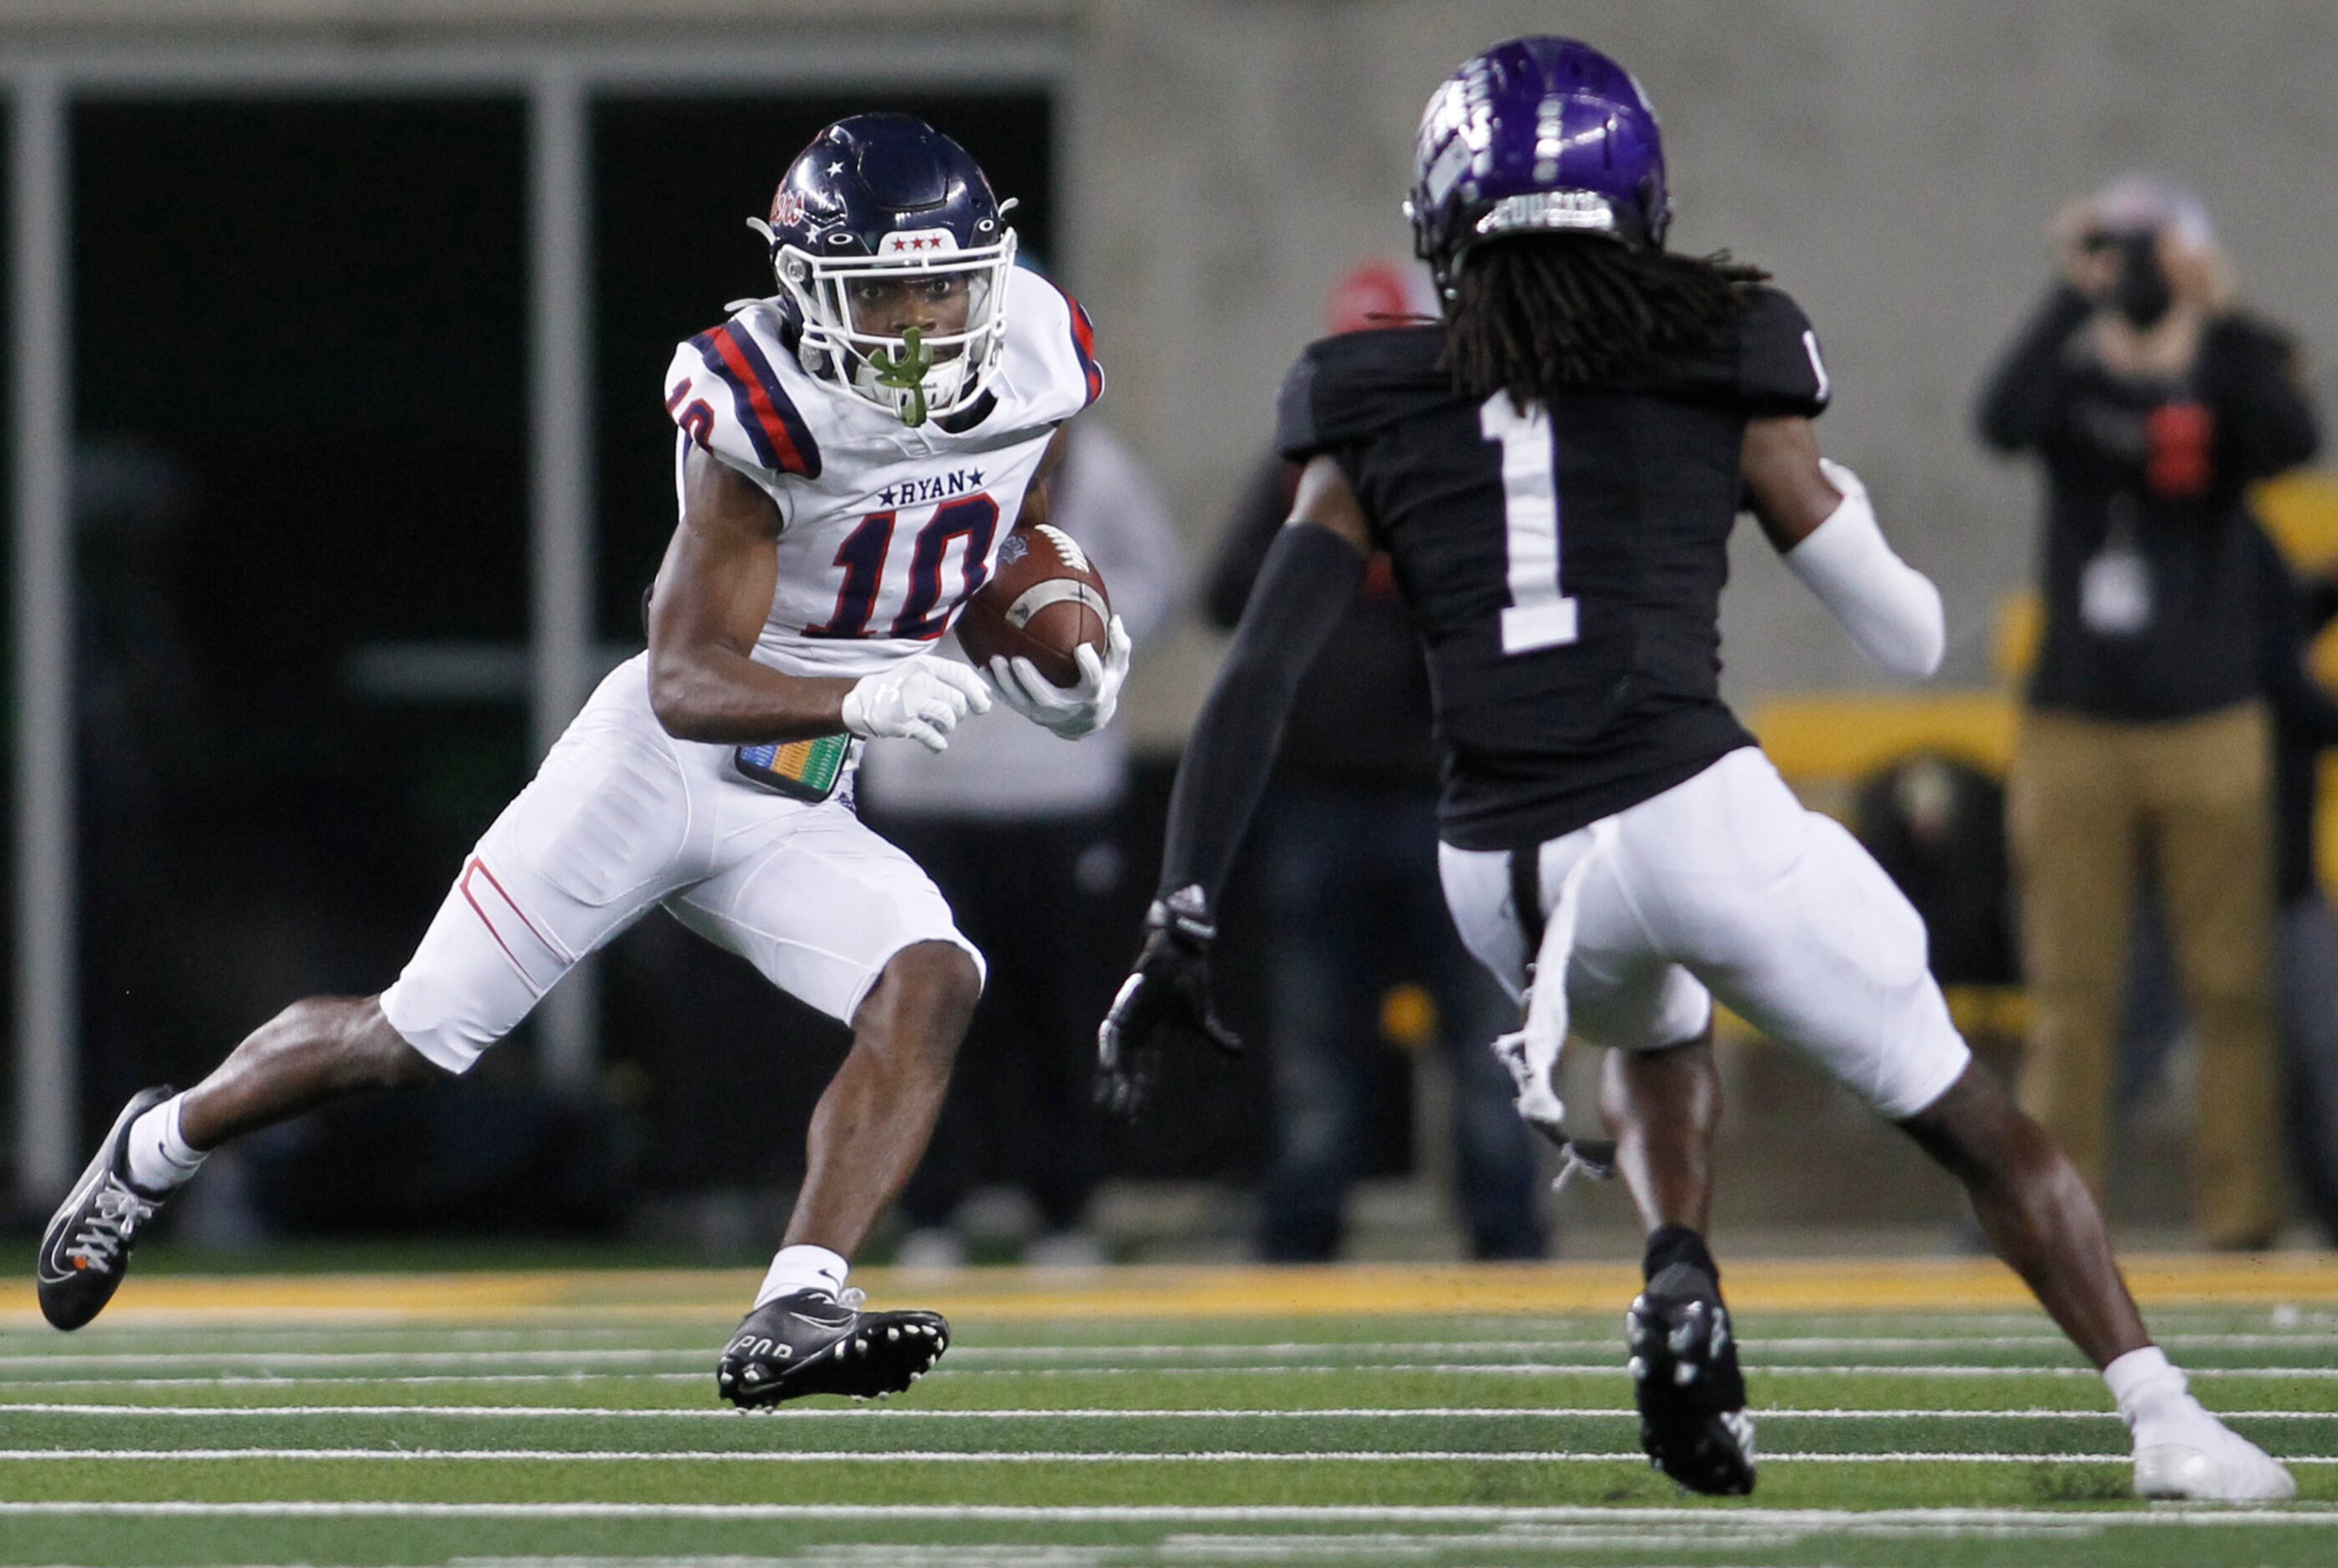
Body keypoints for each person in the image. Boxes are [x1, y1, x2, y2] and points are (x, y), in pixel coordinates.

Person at [1096, 37, 2291, 1503]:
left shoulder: (1364, 395)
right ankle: (2164, 1411)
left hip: (1500, 871)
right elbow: (1907, 633)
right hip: (1689, 806)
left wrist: (1181, 911)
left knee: (1658, 1030)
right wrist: (1823, 498)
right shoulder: (1721, 348)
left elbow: (1258, 672)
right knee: (1975, 1117)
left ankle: (1676, 1264)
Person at [39, 114, 1132, 1410]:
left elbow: (1005, 523)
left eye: (940, 284)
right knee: (416, 1037)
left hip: (799, 794)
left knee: (936, 974)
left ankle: (798, 1301)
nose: (915, 321)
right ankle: (157, 1143)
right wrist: (864, 687)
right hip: (659, 769)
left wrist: (1060, 646)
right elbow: (685, 678)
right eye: (880, 290)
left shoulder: (1039, 351)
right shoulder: (754, 403)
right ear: (806, 288)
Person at [1976, 176, 2320, 1251]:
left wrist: (2210, 309)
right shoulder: (2074, 397)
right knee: (2074, 993)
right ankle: (2053, 1219)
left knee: (2233, 988)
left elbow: (2293, 435)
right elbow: (2000, 417)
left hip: (2212, 724)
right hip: (2076, 725)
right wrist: (2067, 292)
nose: (2131, 276)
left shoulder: (2223, 386)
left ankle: (2240, 1216)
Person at [1208, 260, 1541, 1263]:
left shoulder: (1476, 467)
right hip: (1320, 801)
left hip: (1449, 798)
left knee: (1483, 1041)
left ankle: (1506, 1230)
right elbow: (1226, 597)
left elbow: (1520, 611)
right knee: (1317, 1044)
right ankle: (1304, 1228)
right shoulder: (1297, 473)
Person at [860, 412, 1184, 1267]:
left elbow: (1160, 576)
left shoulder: (1100, 470)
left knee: (1063, 1009)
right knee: (926, 1010)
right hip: (928, 778)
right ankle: (931, 1207)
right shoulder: (903, 464)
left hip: (1058, 784)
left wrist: (1083, 645)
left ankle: (1064, 1209)